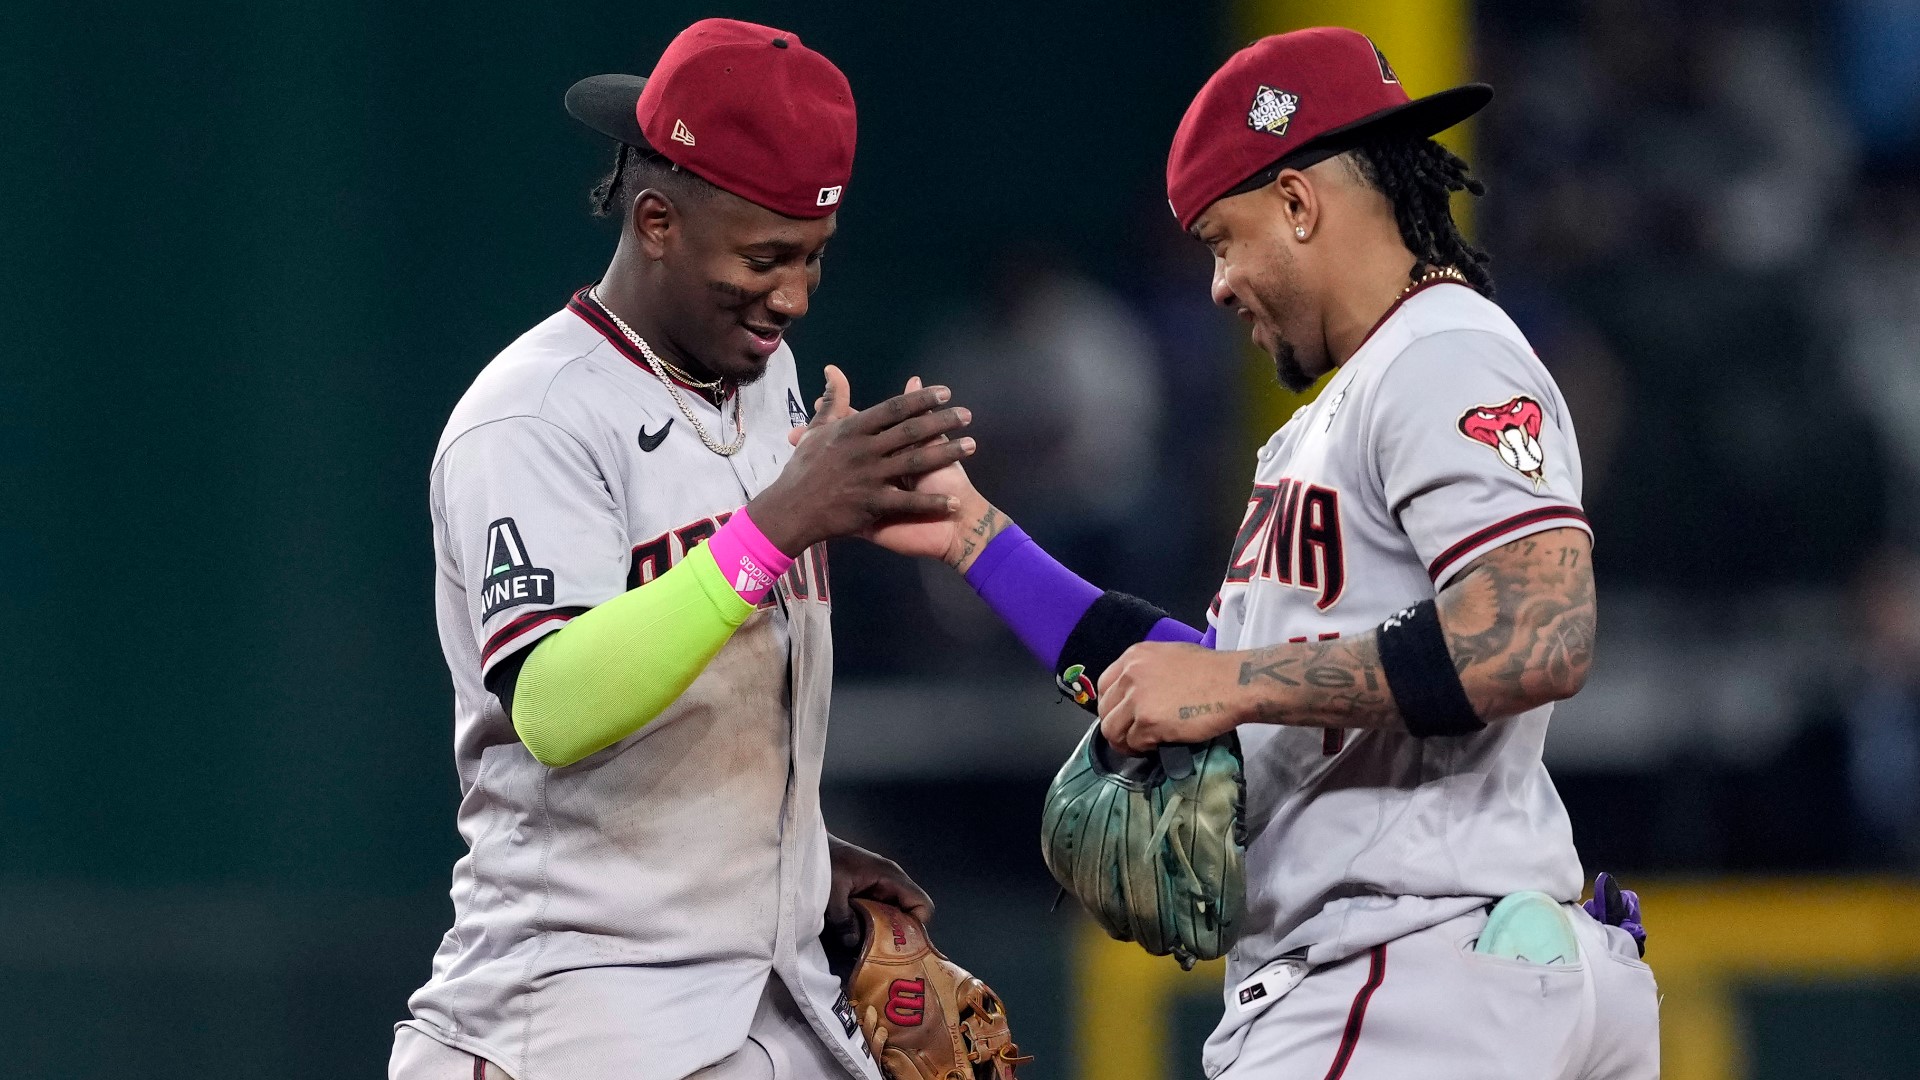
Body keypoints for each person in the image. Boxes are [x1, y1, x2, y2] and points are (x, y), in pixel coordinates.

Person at [854, 27, 1659, 1080]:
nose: (1220, 284)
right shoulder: (1351, 410)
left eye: (1223, 239)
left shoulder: (1444, 349)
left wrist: (1230, 682)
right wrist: (977, 539)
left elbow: (1534, 633)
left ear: (1297, 202)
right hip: (1449, 968)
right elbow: (1203, 676)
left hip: (1407, 975)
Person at [389, 19, 976, 1080]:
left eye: (812, 259)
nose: (792, 297)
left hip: (763, 1002)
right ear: (656, 219)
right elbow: (556, 706)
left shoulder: (766, 382)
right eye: (763, 258)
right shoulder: (534, 416)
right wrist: (777, 525)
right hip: (569, 1023)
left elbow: (709, 690)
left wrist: (791, 861)